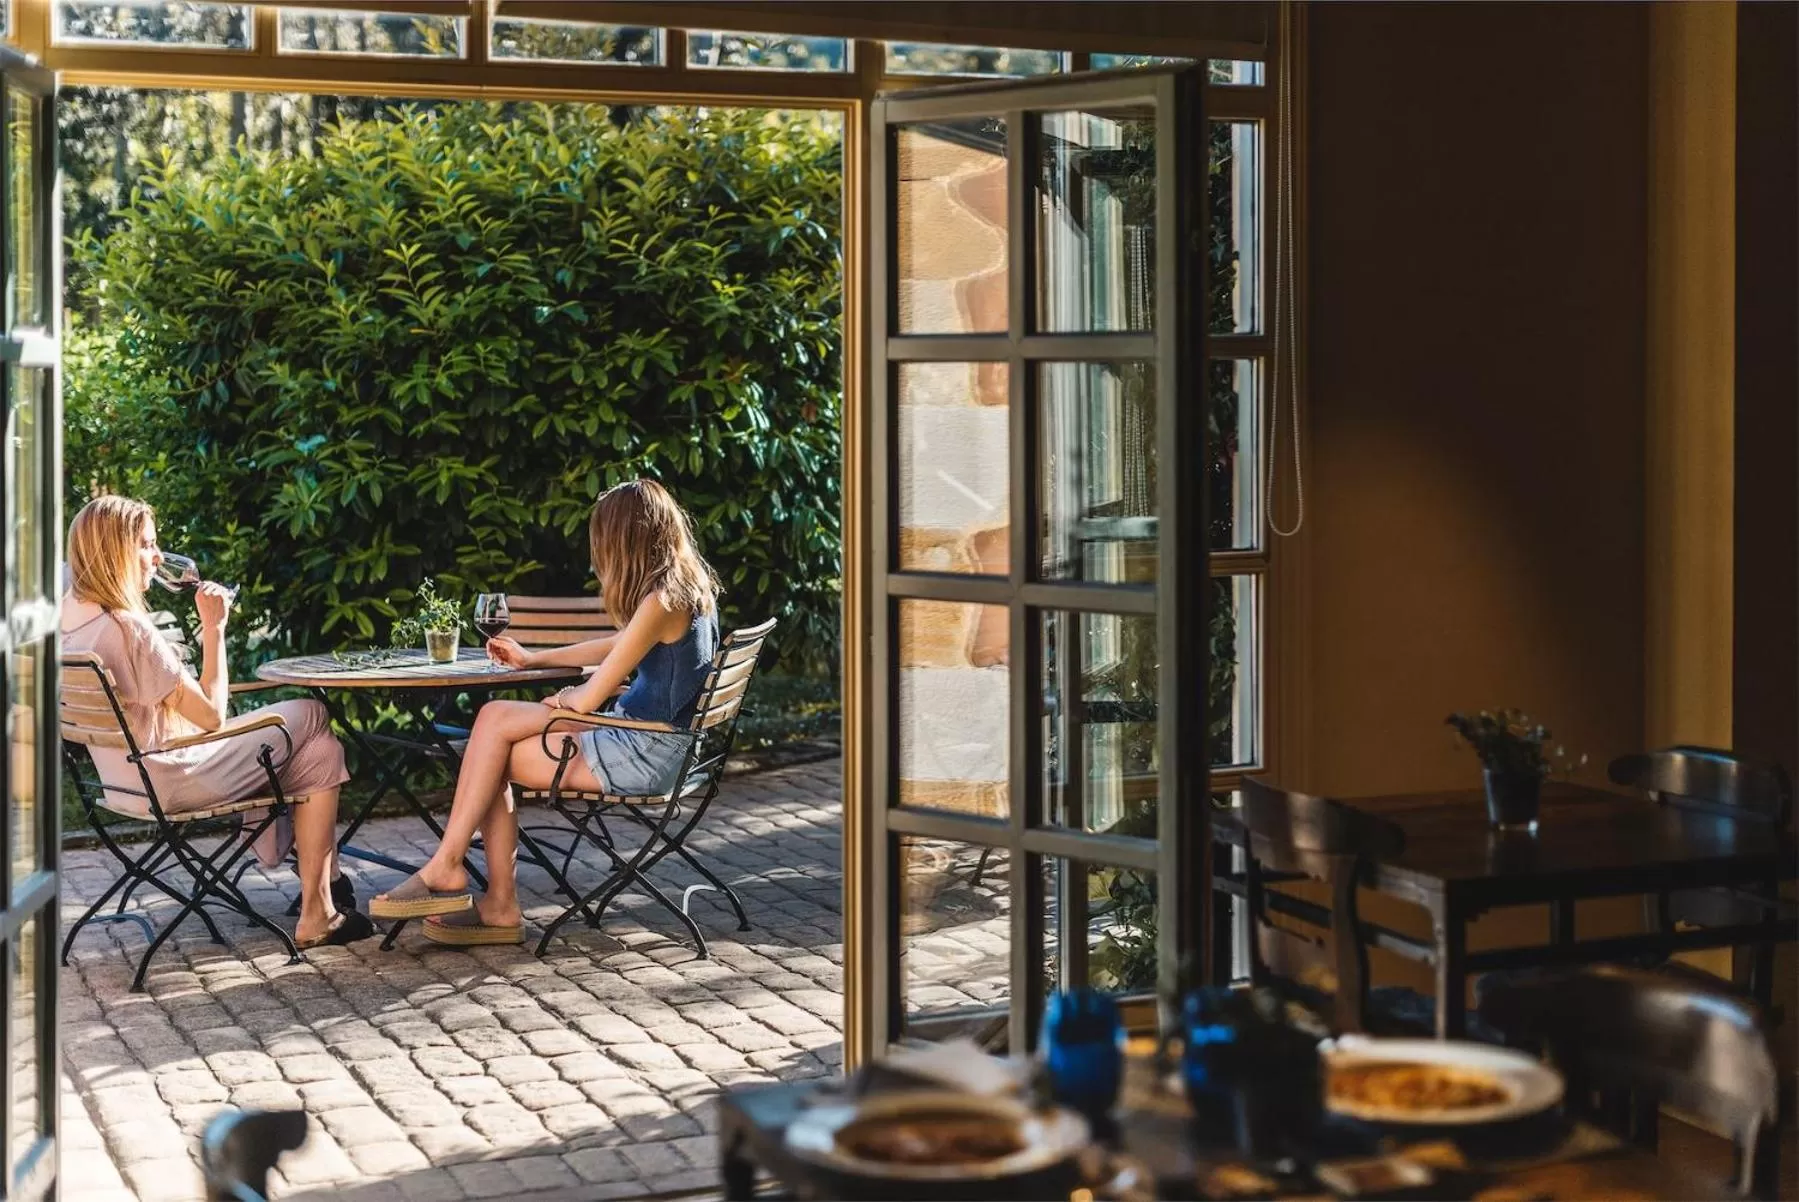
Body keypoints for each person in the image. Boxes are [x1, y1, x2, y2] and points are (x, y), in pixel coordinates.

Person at [370, 479, 720, 945]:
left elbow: (591, 698)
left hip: (646, 751)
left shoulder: (661, 601)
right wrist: (535, 660)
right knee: (491, 731)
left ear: (625, 539)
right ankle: (466, 881)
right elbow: (615, 647)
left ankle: (474, 887)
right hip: (661, 744)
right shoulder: (688, 590)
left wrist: (563, 702)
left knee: (489, 749)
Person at [60, 496, 373, 949]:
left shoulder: (64, 621)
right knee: (311, 713)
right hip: (173, 777)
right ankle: (310, 894)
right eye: (147, 545)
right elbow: (211, 716)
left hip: (122, 783)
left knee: (321, 752)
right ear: (115, 553)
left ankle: (319, 898)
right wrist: (215, 627)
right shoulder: (128, 628)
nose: (158, 557)